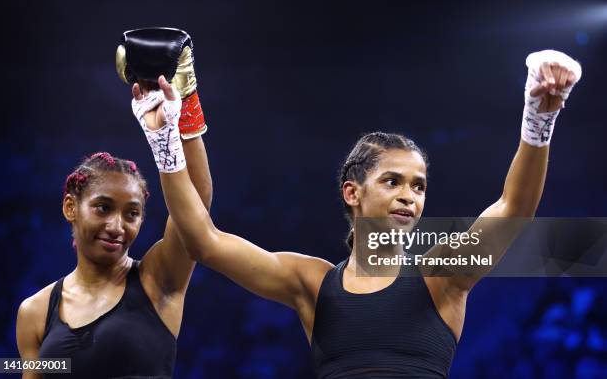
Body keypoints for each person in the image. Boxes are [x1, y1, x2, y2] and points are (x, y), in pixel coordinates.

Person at [139, 50, 581, 378]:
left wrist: (538, 118)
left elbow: (513, 208)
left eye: (419, 186)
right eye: (393, 181)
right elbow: (202, 240)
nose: (410, 196)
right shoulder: (311, 283)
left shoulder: (441, 275)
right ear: (352, 192)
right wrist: (167, 140)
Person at [15, 28, 211, 379]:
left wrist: (185, 98)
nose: (117, 225)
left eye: (132, 213)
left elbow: (196, 204)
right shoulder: (34, 311)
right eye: (103, 207)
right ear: (70, 208)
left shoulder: (158, 280)